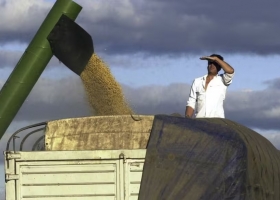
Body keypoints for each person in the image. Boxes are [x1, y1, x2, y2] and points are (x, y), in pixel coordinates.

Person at [185, 54, 234, 118]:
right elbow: (191, 102)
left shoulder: (222, 80)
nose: (212, 65)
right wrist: (187, 121)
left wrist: (216, 59)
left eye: (215, 63)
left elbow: (230, 71)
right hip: (199, 122)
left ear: (220, 66)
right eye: (210, 63)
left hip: (217, 122)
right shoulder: (197, 81)